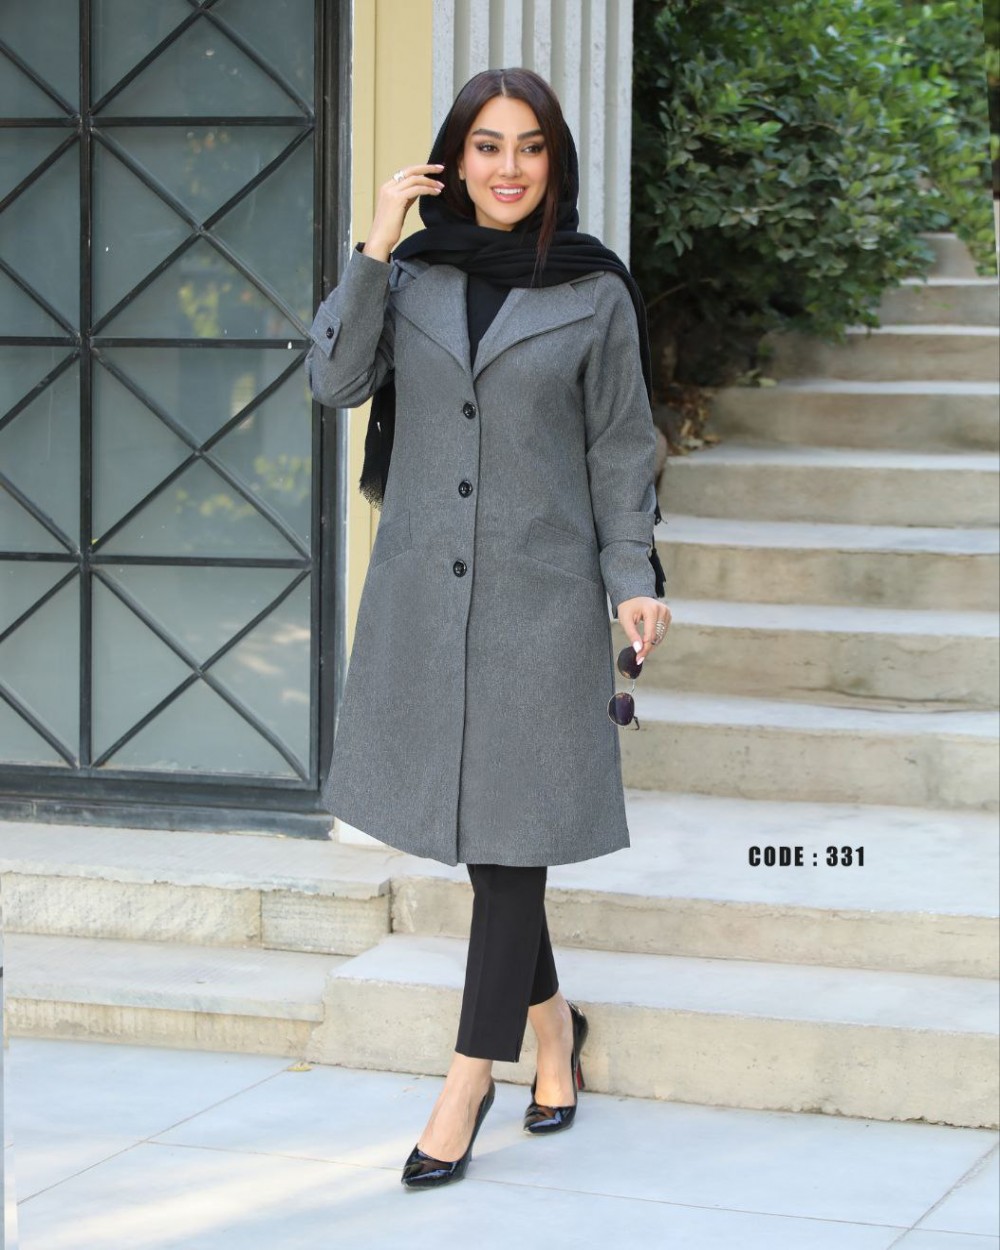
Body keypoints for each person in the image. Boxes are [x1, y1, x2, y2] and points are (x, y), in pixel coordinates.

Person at [305, 67, 671, 1190]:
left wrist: (632, 577)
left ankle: (466, 1081)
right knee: (493, 841)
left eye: (529, 147)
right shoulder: (411, 275)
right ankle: (555, 1028)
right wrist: (375, 243)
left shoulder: (593, 290)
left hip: (540, 602)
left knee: (511, 849)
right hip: (426, 596)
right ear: (452, 160)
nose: (508, 168)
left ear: (555, 161)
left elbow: (620, 446)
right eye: (486, 146)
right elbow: (334, 379)